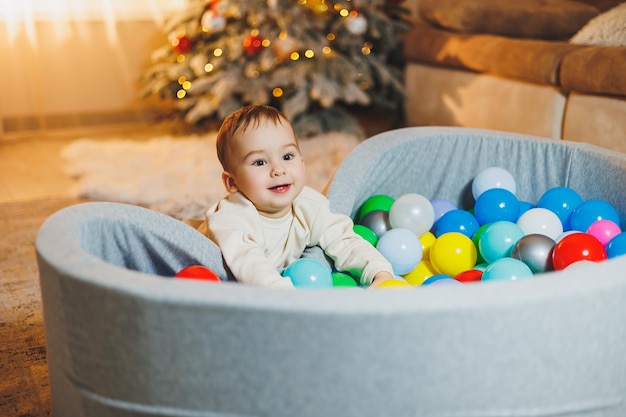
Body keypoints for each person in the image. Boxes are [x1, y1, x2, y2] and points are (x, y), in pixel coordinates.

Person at [204, 104, 395, 288]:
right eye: (260, 162)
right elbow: (250, 265)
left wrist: (379, 272)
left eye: (287, 157)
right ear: (232, 183)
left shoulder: (309, 205)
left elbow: (344, 240)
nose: (278, 170)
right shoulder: (232, 218)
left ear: (302, 163)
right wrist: (287, 296)